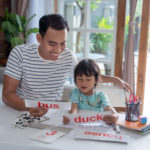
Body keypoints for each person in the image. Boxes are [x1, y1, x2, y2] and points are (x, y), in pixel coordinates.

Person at [2, 14, 131, 117]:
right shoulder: (20, 53)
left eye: (63, 43)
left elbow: (87, 75)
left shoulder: (68, 57)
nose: (58, 50)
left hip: (51, 115)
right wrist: (30, 107)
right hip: (19, 112)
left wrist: (115, 80)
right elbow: (7, 95)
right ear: (39, 38)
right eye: (52, 43)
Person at [63, 59, 118, 125]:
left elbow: (109, 109)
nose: (83, 83)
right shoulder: (75, 93)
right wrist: (70, 117)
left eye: (88, 80)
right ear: (75, 79)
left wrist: (115, 116)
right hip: (80, 128)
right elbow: (74, 109)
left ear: (96, 80)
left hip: (96, 129)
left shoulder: (101, 96)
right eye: (80, 79)